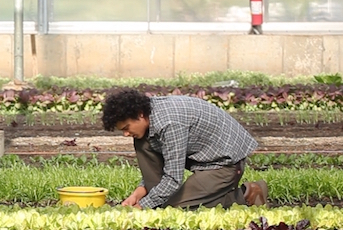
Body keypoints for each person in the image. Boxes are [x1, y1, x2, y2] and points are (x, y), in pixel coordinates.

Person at [101, 89, 267, 210]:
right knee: (142, 142)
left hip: (224, 163)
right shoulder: (150, 118)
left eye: (127, 127)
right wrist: (138, 194)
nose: (125, 134)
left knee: (174, 207)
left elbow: (173, 178)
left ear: (140, 114)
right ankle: (158, 198)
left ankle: (246, 194)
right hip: (200, 157)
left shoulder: (170, 124)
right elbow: (163, 165)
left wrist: (143, 206)